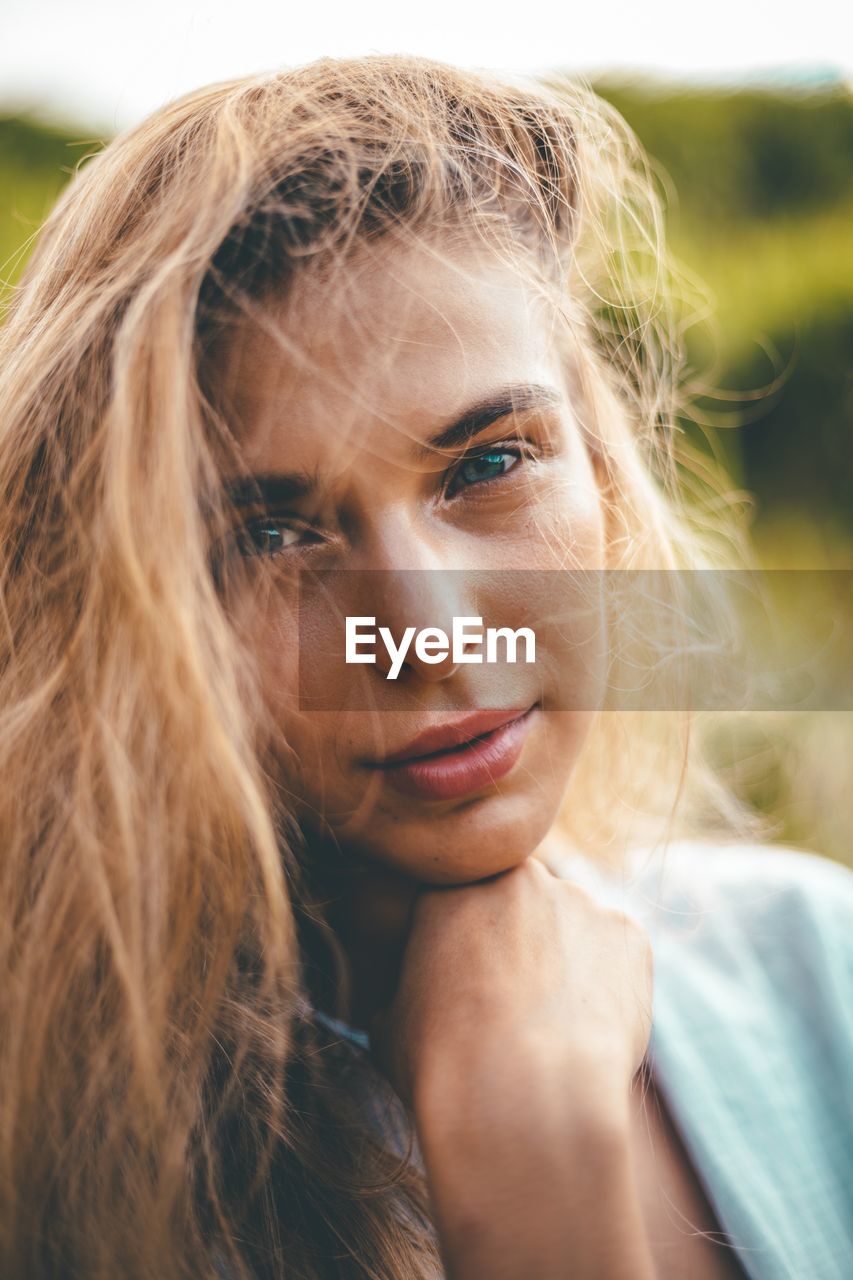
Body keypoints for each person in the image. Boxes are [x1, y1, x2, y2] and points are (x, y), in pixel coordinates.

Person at [0, 53, 850, 1280]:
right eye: (270, 534)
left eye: (488, 464)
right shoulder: (65, 1174)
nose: (430, 638)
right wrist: (534, 1194)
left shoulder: (815, 971)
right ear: (131, 600)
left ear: (601, 468)